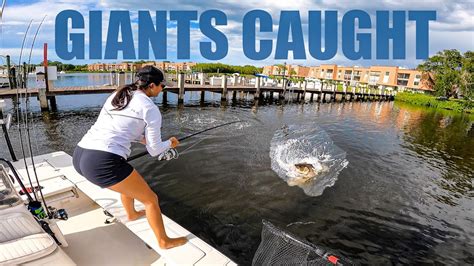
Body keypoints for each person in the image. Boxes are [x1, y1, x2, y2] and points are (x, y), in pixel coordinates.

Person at [72, 66, 187, 249]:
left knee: (126, 178)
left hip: (81, 154)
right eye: (161, 85)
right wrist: (170, 143)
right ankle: (164, 241)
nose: (162, 89)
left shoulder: (119, 95)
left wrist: (145, 141)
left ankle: (132, 214)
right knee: (150, 199)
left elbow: (123, 128)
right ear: (152, 85)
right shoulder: (150, 108)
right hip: (101, 162)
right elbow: (155, 150)